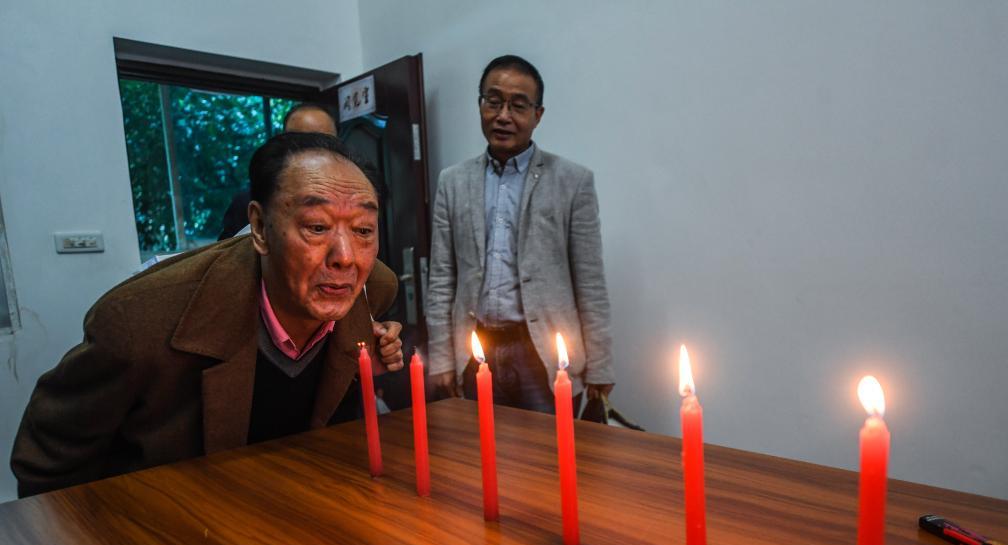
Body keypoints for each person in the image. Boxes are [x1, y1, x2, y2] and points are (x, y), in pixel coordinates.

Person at [12, 133, 403, 497]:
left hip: (288, 503)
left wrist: (368, 354)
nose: (346, 257)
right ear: (260, 227)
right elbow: (46, 465)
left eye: (364, 230)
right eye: (317, 227)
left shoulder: (372, 289)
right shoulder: (138, 324)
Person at [426, 55, 614, 413]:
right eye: (493, 101)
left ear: (537, 115)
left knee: (551, 462)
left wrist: (601, 363)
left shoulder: (572, 182)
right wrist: (442, 358)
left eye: (518, 105)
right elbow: (441, 278)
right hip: (475, 350)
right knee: (482, 457)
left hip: (543, 355)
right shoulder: (452, 182)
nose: (503, 116)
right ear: (480, 104)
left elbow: (590, 281)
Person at [218, 102, 338, 240]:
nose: (311, 150)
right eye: (299, 140)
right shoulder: (248, 202)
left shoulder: (357, 199)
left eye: (324, 141)